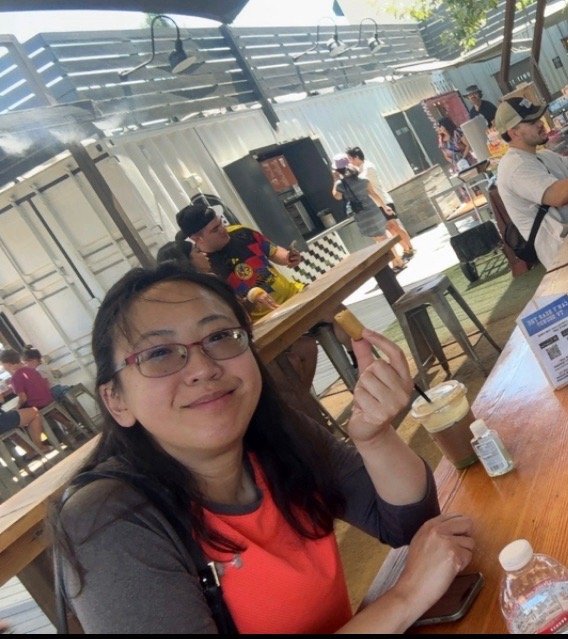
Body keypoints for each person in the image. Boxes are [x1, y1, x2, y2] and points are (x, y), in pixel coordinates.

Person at [50, 262, 474, 634]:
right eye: (159, 353)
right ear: (116, 401)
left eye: (220, 336)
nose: (203, 368)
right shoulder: (106, 521)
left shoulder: (276, 438)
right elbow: (418, 567)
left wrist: (375, 437)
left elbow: (408, 526)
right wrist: (404, 598)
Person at [176, 201, 354, 378]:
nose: (223, 230)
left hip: (294, 296)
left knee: (339, 312)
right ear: (197, 238)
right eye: (215, 229)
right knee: (298, 354)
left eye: (220, 223)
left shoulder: (242, 233)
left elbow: (276, 253)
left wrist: (290, 257)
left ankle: (358, 362)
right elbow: (229, 306)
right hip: (263, 321)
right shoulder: (204, 265)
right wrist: (251, 295)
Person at [495, 97, 568, 269]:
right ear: (514, 132)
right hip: (561, 254)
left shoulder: (543, 156)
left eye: (538, 119)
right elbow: (559, 196)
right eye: (532, 122)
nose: (540, 124)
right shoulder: (515, 166)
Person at [331, 154, 407, 273]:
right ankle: (397, 261)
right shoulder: (362, 179)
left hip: (362, 215)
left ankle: (396, 262)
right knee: (383, 237)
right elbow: (373, 193)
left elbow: (337, 197)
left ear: (337, 170)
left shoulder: (340, 184)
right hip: (374, 210)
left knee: (381, 239)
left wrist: (335, 179)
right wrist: (384, 206)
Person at [346, 146, 415, 262]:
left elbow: (361, 181)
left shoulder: (368, 166)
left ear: (356, 157)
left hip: (384, 202)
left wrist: (350, 172)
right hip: (376, 205)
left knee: (395, 226)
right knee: (391, 229)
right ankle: (406, 249)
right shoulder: (359, 169)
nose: (349, 162)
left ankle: (410, 248)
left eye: (350, 159)